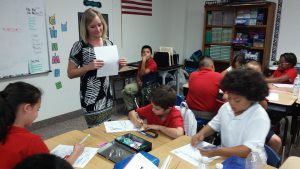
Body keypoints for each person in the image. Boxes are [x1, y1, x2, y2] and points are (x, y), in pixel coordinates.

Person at [0, 82, 84, 169]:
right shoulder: (31, 141)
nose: (37, 114)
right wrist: (76, 153)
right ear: (27, 108)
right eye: (37, 109)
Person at [67, 8, 127, 127]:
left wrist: (119, 66)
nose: (98, 29)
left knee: (107, 128)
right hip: (90, 97)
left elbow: (112, 71)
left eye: (100, 25)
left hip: (107, 95)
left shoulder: (108, 43)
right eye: (92, 26)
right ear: (85, 28)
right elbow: (70, 73)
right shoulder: (79, 46)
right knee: (95, 131)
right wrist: (88, 67)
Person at [191, 69, 270, 158]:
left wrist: (218, 151)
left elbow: (247, 151)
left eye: (237, 100)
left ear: (251, 98)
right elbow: (213, 125)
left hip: (247, 162)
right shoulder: (226, 108)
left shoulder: (259, 117)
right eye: (229, 98)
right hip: (224, 157)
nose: (231, 103)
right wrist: (201, 134)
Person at [245, 60, 282, 153]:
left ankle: (271, 165)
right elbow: (226, 97)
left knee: (276, 141)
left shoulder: (260, 87)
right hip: (242, 121)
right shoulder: (238, 84)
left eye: (257, 74)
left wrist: (259, 95)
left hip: (257, 120)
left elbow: (264, 107)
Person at [122, 45, 158, 111]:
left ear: (151, 54)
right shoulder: (141, 62)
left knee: (127, 88)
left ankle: (137, 108)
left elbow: (143, 73)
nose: (145, 54)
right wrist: (138, 81)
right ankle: (132, 109)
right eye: (143, 52)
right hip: (141, 83)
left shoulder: (153, 64)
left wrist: (143, 61)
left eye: (147, 52)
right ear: (141, 54)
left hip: (148, 86)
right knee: (124, 92)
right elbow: (138, 74)